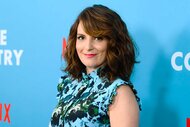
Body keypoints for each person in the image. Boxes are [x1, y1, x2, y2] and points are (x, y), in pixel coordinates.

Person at [49, 4, 141, 127]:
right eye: (81, 37)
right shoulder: (69, 85)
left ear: (113, 42)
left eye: (98, 38)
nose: (88, 47)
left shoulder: (118, 92)